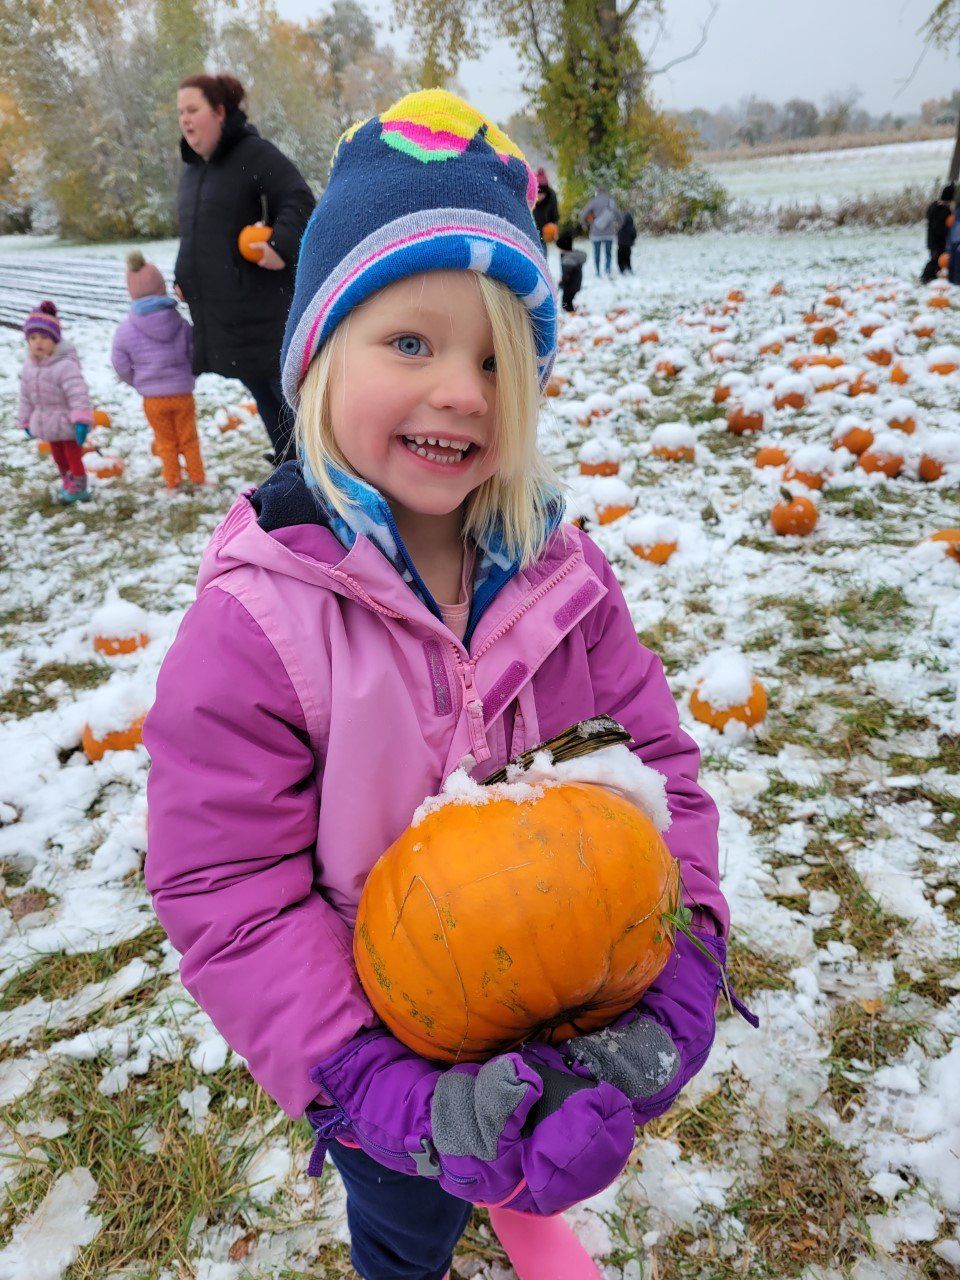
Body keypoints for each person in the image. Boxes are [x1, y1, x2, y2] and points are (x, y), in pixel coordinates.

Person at [144, 90, 745, 1280]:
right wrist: (373, 1083)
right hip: (387, 1043)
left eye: (493, 355)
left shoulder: (565, 577)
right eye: (410, 343)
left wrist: (687, 955)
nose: (461, 389)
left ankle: (523, 1194)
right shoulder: (260, 617)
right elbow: (227, 886)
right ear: (318, 357)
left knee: (545, 1135)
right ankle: (417, 1240)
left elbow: (658, 764)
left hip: (569, 993)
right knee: (410, 1220)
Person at [175, 73, 315, 464]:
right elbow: (196, 235)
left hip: (264, 315)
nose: (185, 120)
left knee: (289, 404)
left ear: (219, 112)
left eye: (193, 109)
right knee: (266, 402)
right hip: (226, 317)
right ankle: (292, 470)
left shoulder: (254, 155)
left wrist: (278, 243)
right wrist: (184, 277)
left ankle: (320, 482)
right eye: (180, 112)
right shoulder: (194, 171)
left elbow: (299, 199)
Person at [111, 251, 205, 493]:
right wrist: (189, 376)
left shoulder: (126, 329)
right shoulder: (180, 322)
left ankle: (172, 481)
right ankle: (197, 477)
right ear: (161, 287)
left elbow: (119, 363)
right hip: (182, 393)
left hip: (153, 398)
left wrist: (138, 382)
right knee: (188, 437)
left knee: (165, 441)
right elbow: (194, 352)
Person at [18, 301, 92, 504]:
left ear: (55, 340)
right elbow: (25, 397)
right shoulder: (29, 367)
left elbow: (78, 394)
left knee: (72, 454)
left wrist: (81, 419)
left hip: (67, 421)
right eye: (33, 338)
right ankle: (67, 481)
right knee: (58, 457)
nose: (38, 342)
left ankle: (79, 487)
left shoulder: (65, 365)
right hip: (46, 421)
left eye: (43, 337)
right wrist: (25, 420)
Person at [577, 188, 622, 278]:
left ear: (597, 192)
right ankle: (607, 270)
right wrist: (618, 226)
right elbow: (619, 216)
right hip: (609, 233)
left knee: (597, 253)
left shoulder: (593, 201)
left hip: (596, 232)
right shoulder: (611, 201)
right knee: (608, 253)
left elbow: (583, 214)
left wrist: (585, 223)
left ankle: (598, 272)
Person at [921, 183, 955, 285]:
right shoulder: (941, 210)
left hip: (934, 240)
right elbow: (938, 228)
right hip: (937, 241)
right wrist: (948, 230)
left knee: (938, 260)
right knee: (936, 260)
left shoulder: (936, 205)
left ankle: (934, 277)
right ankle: (926, 277)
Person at [556, 228, 587, 312]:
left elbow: (566, 275)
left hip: (570, 285)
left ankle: (570, 313)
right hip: (575, 284)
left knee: (565, 302)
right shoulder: (572, 256)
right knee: (568, 300)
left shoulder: (567, 259)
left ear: (563, 248)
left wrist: (561, 283)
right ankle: (570, 310)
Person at [533, 167, 560, 248]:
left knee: (543, 254)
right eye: (537, 193)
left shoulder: (551, 196)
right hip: (531, 232)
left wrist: (553, 226)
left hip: (544, 232)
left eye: (542, 194)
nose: (539, 196)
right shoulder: (530, 199)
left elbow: (554, 214)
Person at [617, 210, 637, 275]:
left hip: (621, 246)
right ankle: (628, 267)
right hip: (628, 246)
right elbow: (634, 235)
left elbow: (618, 235)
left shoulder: (621, 227)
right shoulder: (632, 228)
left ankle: (622, 268)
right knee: (627, 257)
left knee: (620, 258)